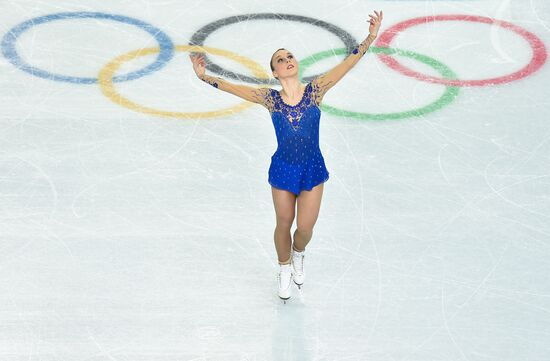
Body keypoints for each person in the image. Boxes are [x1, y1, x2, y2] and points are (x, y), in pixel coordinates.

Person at [189, 10, 383, 302]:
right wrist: (205, 78)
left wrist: (370, 37)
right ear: (275, 72)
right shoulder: (269, 98)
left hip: (312, 168)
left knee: (304, 228)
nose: (287, 60)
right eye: (280, 59)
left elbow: (347, 64)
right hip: (283, 169)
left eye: (290, 56)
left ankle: (298, 253)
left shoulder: (316, 90)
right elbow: (234, 88)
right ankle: (283, 268)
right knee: (283, 222)